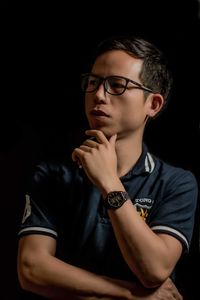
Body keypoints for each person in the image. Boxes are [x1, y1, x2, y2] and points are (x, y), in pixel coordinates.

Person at [17, 35, 198, 299]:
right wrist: (130, 295)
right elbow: (31, 269)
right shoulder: (52, 174)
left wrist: (109, 182)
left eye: (117, 85)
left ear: (153, 104)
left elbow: (155, 269)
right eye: (93, 83)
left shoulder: (176, 182)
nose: (99, 95)